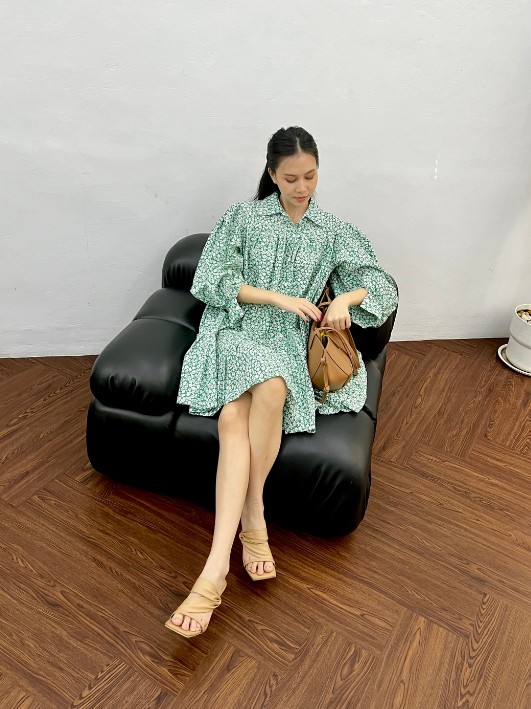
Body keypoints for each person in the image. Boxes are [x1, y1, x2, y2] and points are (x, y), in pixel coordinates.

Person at [165, 126, 398, 638]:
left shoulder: (332, 231)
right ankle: (244, 532)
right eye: (291, 178)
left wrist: (344, 299)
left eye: (310, 176)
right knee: (270, 385)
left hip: (289, 344)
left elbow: (380, 284)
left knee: (235, 418)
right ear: (272, 174)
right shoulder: (243, 217)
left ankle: (220, 561)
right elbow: (210, 279)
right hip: (236, 330)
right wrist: (276, 297)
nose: (302, 187)